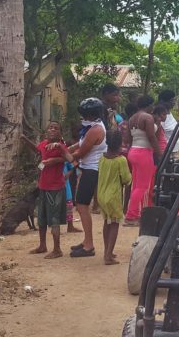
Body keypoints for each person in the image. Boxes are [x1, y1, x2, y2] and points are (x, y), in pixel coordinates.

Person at [29, 121, 73, 258]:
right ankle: (42, 245)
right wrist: (24, 139)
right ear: (46, 131)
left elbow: (70, 159)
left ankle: (57, 249)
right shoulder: (43, 144)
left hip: (55, 188)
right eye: (50, 127)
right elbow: (37, 149)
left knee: (54, 219)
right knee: (42, 218)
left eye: (56, 128)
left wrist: (59, 148)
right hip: (43, 186)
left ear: (60, 133)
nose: (52, 130)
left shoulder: (62, 146)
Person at [70, 97, 107, 258]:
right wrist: (67, 147)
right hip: (88, 168)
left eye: (87, 115)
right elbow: (80, 144)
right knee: (81, 205)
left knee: (82, 205)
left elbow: (81, 153)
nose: (84, 118)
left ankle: (89, 244)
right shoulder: (92, 127)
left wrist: (62, 156)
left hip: (92, 169)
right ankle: (86, 241)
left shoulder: (95, 130)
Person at [124, 95, 160, 227]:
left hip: (133, 151)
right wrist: (160, 153)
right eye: (152, 105)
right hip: (144, 153)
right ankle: (131, 216)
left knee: (136, 185)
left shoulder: (132, 118)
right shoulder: (147, 117)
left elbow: (127, 138)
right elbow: (151, 136)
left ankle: (133, 213)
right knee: (142, 186)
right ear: (149, 105)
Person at [95, 144, 132, 265]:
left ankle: (107, 251)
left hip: (101, 194)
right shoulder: (121, 160)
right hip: (114, 196)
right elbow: (127, 179)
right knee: (115, 223)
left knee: (107, 222)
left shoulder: (102, 158)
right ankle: (108, 256)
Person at [157, 89, 179, 155]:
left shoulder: (169, 113)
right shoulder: (159, 115)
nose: (174, 102)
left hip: (172, 151)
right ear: (163, 101)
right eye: (172, 100)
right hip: (164, 153)